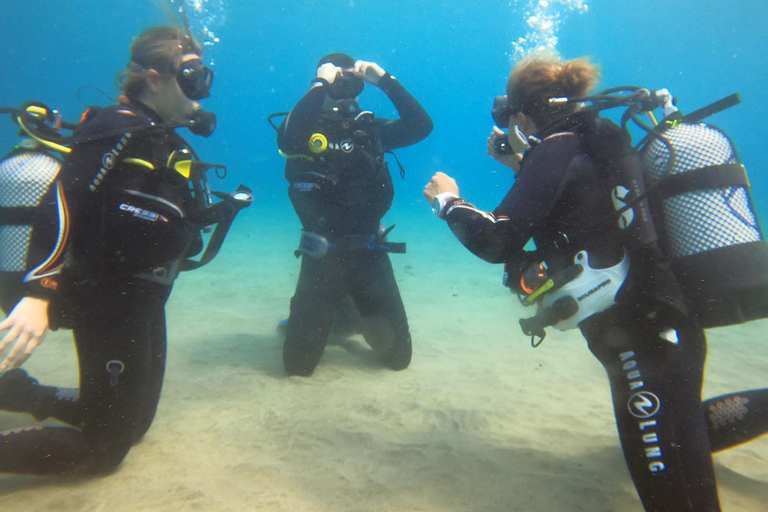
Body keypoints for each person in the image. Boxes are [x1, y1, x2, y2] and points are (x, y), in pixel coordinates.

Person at [423, 54, 768, 511]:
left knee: (678, 498)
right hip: (665, 330)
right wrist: (520, 164)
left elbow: (498, 240)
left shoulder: (558, 148)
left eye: (509, 114)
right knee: (682, 423)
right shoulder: (597, 139)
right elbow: (585, 212)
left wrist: (449, 201)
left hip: (640, 347)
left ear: (525, 111)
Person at [0, 25, 228, 476]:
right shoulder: (116, 127)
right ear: (153, 78)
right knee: (105, 449)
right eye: (191, 74)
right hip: (107, 301)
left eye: (203, 75)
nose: (201, 87)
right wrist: (39, 292)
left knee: (133, 424)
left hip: (143, 299)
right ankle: (40, 404)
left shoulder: (158, 135)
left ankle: (19, 394)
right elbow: (63, 200)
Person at [276, 53, 432, 376]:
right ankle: (331, 309)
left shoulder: (370, 129)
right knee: (297, 367)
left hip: (370, 255)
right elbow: (288, 139)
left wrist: (384, 80)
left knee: (398, 359)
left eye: (351, 82)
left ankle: (347, 309)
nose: (345, 89)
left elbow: (422, 126)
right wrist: (321, 83)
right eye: (337, 81)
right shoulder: (305, 129)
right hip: (321, 258)